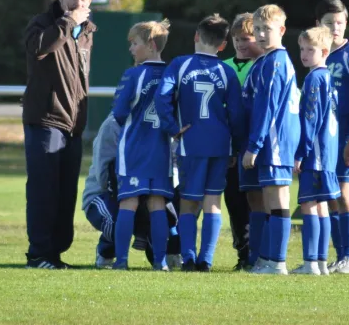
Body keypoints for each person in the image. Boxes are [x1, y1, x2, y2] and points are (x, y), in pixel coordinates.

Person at [155, 14, 244, 272]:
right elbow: (236, 115)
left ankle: (189, 258)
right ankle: (206, 260)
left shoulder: (180, 64)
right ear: (223, 44)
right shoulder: (227, 71)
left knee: (189, 202)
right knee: (213, 202)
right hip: (219, 145)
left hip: (190, 143)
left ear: (196, 36)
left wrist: (172, 128)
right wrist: (236, 146)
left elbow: (163, 97)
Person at [23, 0, 96, 269]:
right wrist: (67, 22)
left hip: (73, 125)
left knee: (66, 194)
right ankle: (38, 255)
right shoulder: (42, 23)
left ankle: (55, 254)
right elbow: (38, 48)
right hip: (45, 120)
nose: (79, 3)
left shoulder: (88, 31)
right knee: (43, 191)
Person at [242, 5, 301, 275]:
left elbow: (268, 106)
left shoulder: (276, 61)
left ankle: (277, 261)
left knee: (278, 199)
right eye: (258, 29)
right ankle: (266, 259)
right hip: (268, 142)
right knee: (268, 200)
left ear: (282, 30)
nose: (262, 34)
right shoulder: (265, 61)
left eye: (268, 29)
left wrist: (254, 146)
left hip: (275, 142)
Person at [81, 112, 182, 270]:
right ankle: (106, 251)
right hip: (107, 194)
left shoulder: (166, 122)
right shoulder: (113, 124)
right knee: (118, 222)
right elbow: (103, 175)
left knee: (171, 216)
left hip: (151, 193)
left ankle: (165, 250)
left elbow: (175, 165)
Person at [111, 20, 175, 271]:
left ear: (150, 45)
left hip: (134, 149)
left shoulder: (133, 74)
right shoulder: (172, 74)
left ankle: (121, 261)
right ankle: (160, 261)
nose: (131, 49)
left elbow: (118, 112)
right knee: (157, 203)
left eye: (134, 43)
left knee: (129, 202)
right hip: (162, 150)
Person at [315, 0, 349, 274]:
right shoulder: (320, 57)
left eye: (339, 22)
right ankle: (340, 258)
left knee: (347, 195)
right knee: (333, 196)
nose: (335, 28)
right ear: (319, 25)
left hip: (348, 139)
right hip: (327, 142)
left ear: (346, 24)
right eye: (329, 23)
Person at [292, 27, 340, 275]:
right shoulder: (328, 77)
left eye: (310, 50)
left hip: (316, 155)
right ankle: (320, 262)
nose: (304, 54)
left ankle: (311, 262)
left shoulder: (313, 79)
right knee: (321, 205)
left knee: (309, 204)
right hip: (328, 155)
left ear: (323, 51)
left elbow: (310, 119)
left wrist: (300, 152)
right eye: (301, 49)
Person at [222, 13, 264, 271]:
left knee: (255, 198)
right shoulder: (223, 66)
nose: (240, 44)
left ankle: (259, 251)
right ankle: (242, 252)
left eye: (246, 38)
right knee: (233, 199)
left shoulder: (261, 64)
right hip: (228, 144)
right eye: (236, 39)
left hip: (252, 144)